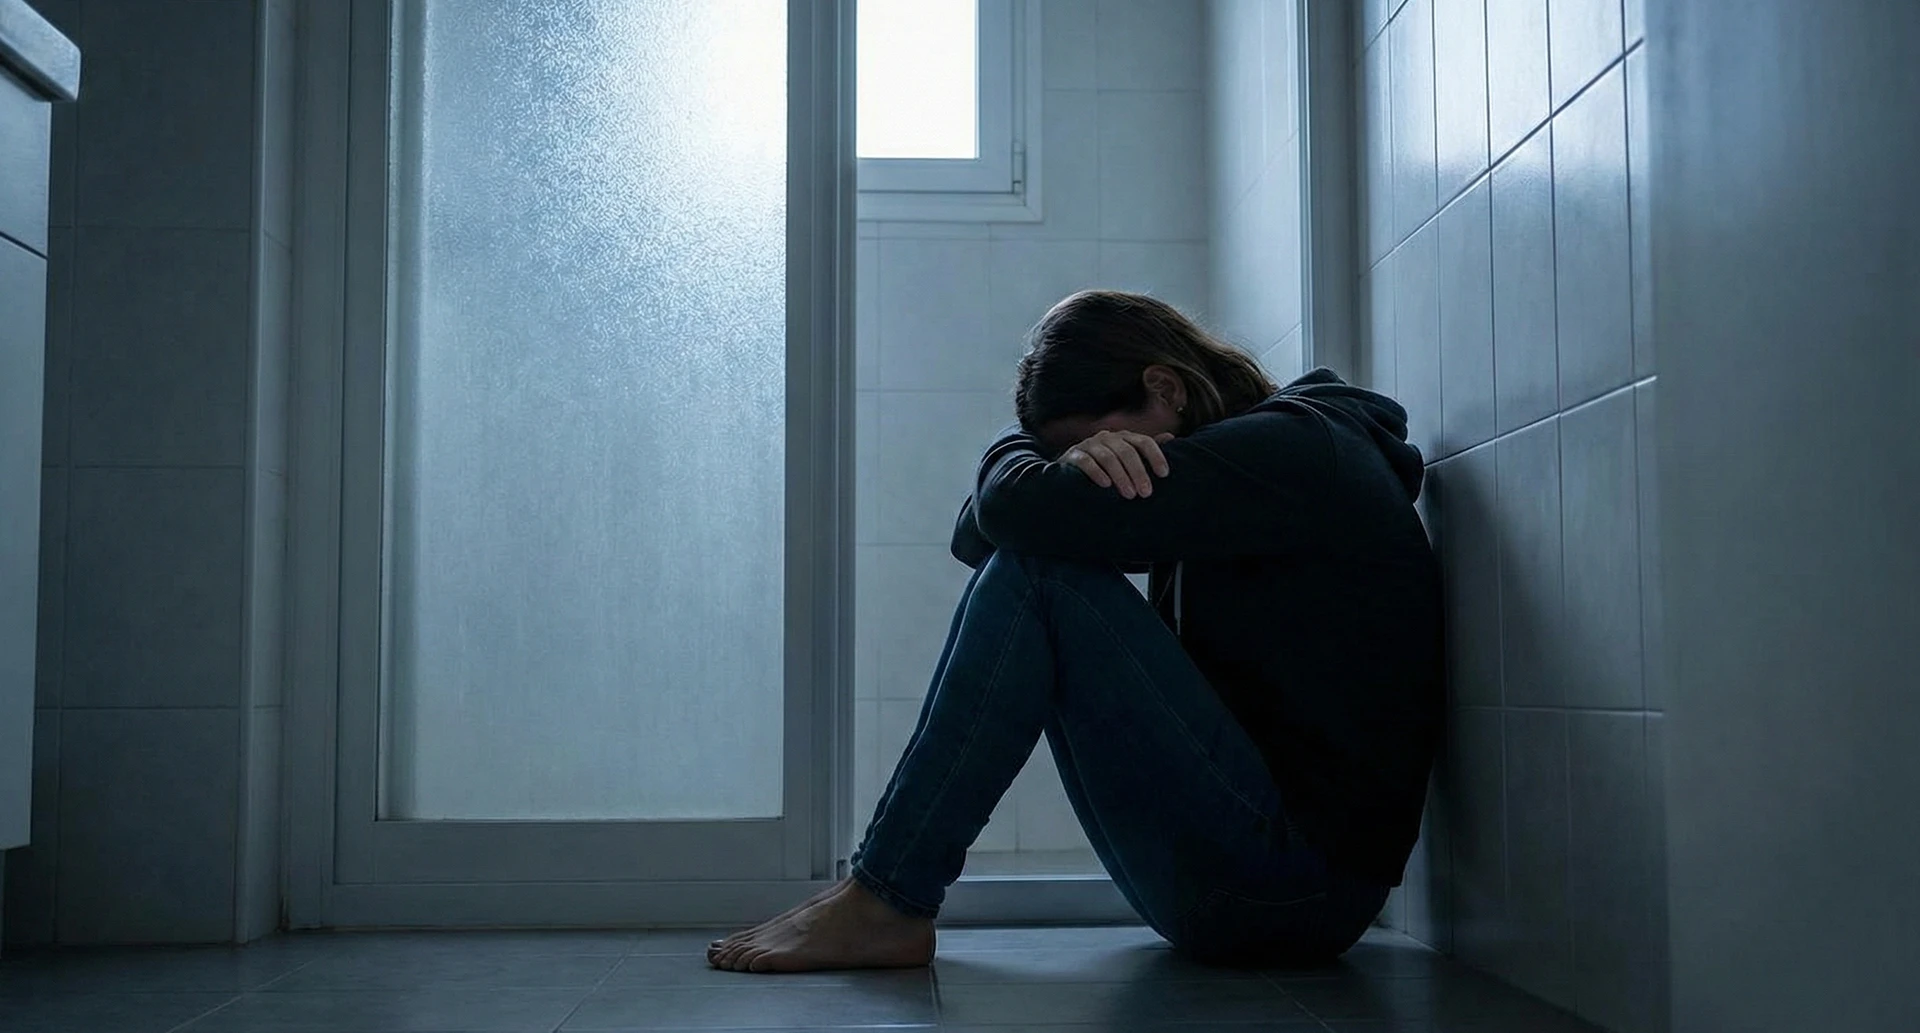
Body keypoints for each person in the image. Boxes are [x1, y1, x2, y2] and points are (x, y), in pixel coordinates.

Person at [708, 290, 1443, 973]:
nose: (1093, 471)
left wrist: (1027, 463)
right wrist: (1037, 453)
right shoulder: (1236, 477)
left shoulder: (1296, 453)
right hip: (1252, 882)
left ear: (1166, 389)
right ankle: (884, 890)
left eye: (1095, 447)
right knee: (1037, 560)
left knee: (1042, 575)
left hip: (1296, 898)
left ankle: (888, 895)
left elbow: (1014, 520)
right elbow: (981, 529)